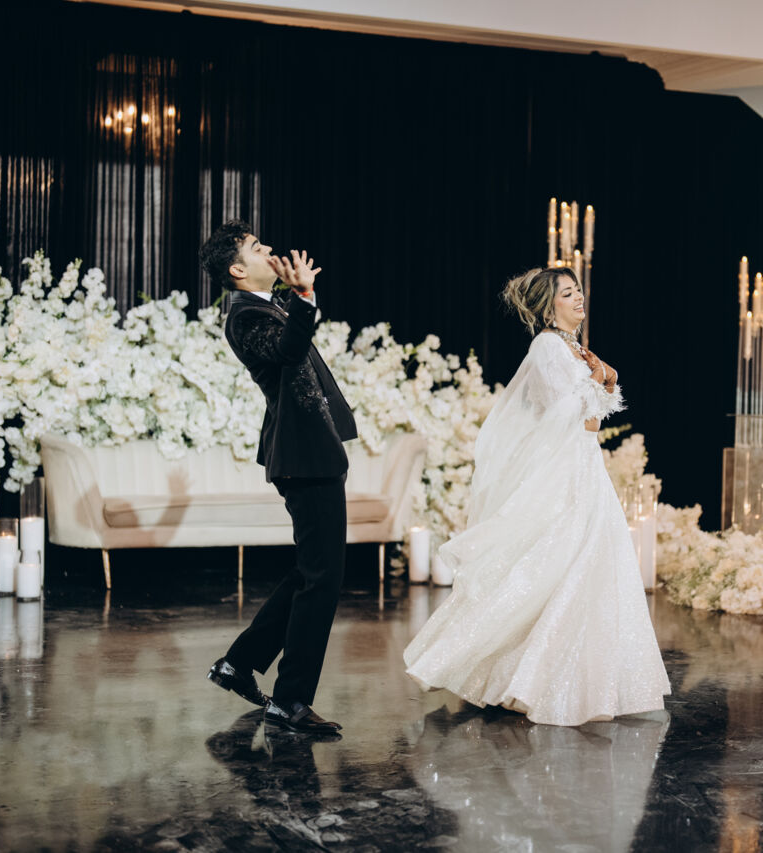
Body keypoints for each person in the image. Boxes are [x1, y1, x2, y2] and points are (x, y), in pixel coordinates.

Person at [402, 267, 670, 726]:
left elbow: (592, 413)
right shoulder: (547, 347)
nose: (579, 297)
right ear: (549, 308)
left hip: (585, 465)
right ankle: (516, 674)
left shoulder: (572, 347)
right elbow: (566, 413)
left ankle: (577, 679)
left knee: (589, 565)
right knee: (554, 561)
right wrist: (600, 380)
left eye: (579, 289)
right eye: (568, 293)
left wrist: (604, 380)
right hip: (565, 469)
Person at [197, 220, 358, 734]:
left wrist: (298, 296)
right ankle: (290, 701)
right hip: (303, 456)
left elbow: (294, 339)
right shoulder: (244, 316)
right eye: (256, 247)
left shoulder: (268, 305)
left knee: (313, 571)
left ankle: (238, 663)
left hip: (311, 452)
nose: (269, 249)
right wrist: (304, 297)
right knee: (322, 579)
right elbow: (288, 350)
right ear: (237, 270)